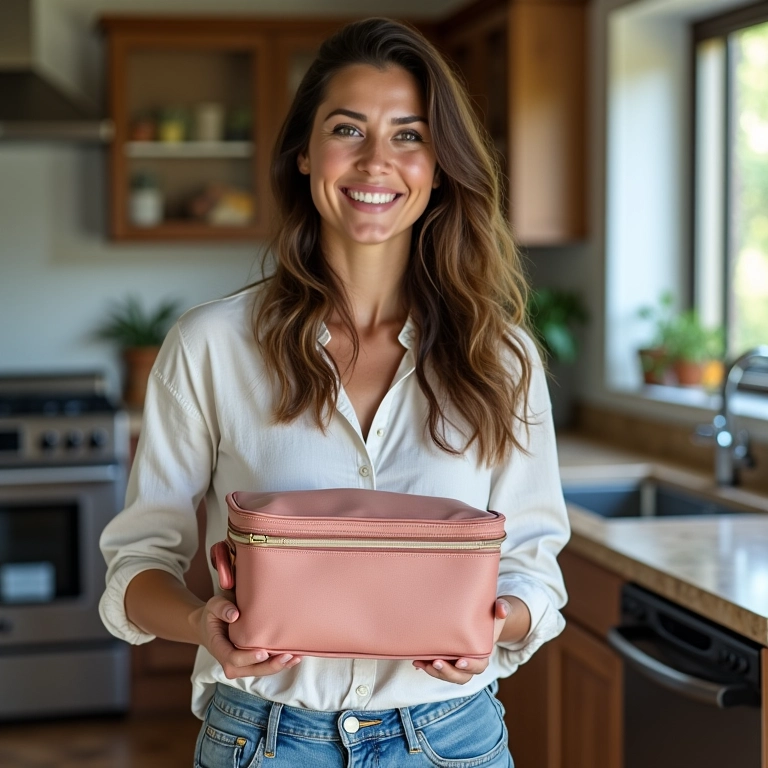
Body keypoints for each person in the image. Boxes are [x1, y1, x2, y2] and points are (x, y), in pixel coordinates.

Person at [99, 17, 570, 768]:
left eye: (409, 135)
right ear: (304, 153)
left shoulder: (501, 359)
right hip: (262, 738)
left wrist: (500, 620)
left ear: (441, 165)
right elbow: (135, 568)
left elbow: (533, 569)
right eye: (348, 129)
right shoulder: (211, 345)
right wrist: (199, 620)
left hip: (449, 739)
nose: (376, 161)